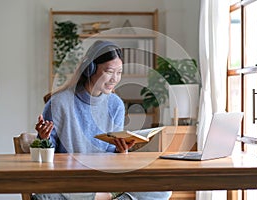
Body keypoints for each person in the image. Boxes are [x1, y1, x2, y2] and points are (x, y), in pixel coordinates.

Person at [34, 40, 172, 200]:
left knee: (163, 189)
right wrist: (43, 138)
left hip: (105, 179)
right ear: (90, 69)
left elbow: (113, 160)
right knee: (43, 196)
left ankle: (103, 197)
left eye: (119, 73)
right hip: (71, 181)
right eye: (109, 71)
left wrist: (122, 151)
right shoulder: (60, 102)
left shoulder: (116, 105)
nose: (115, 79)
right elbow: (43, 159)